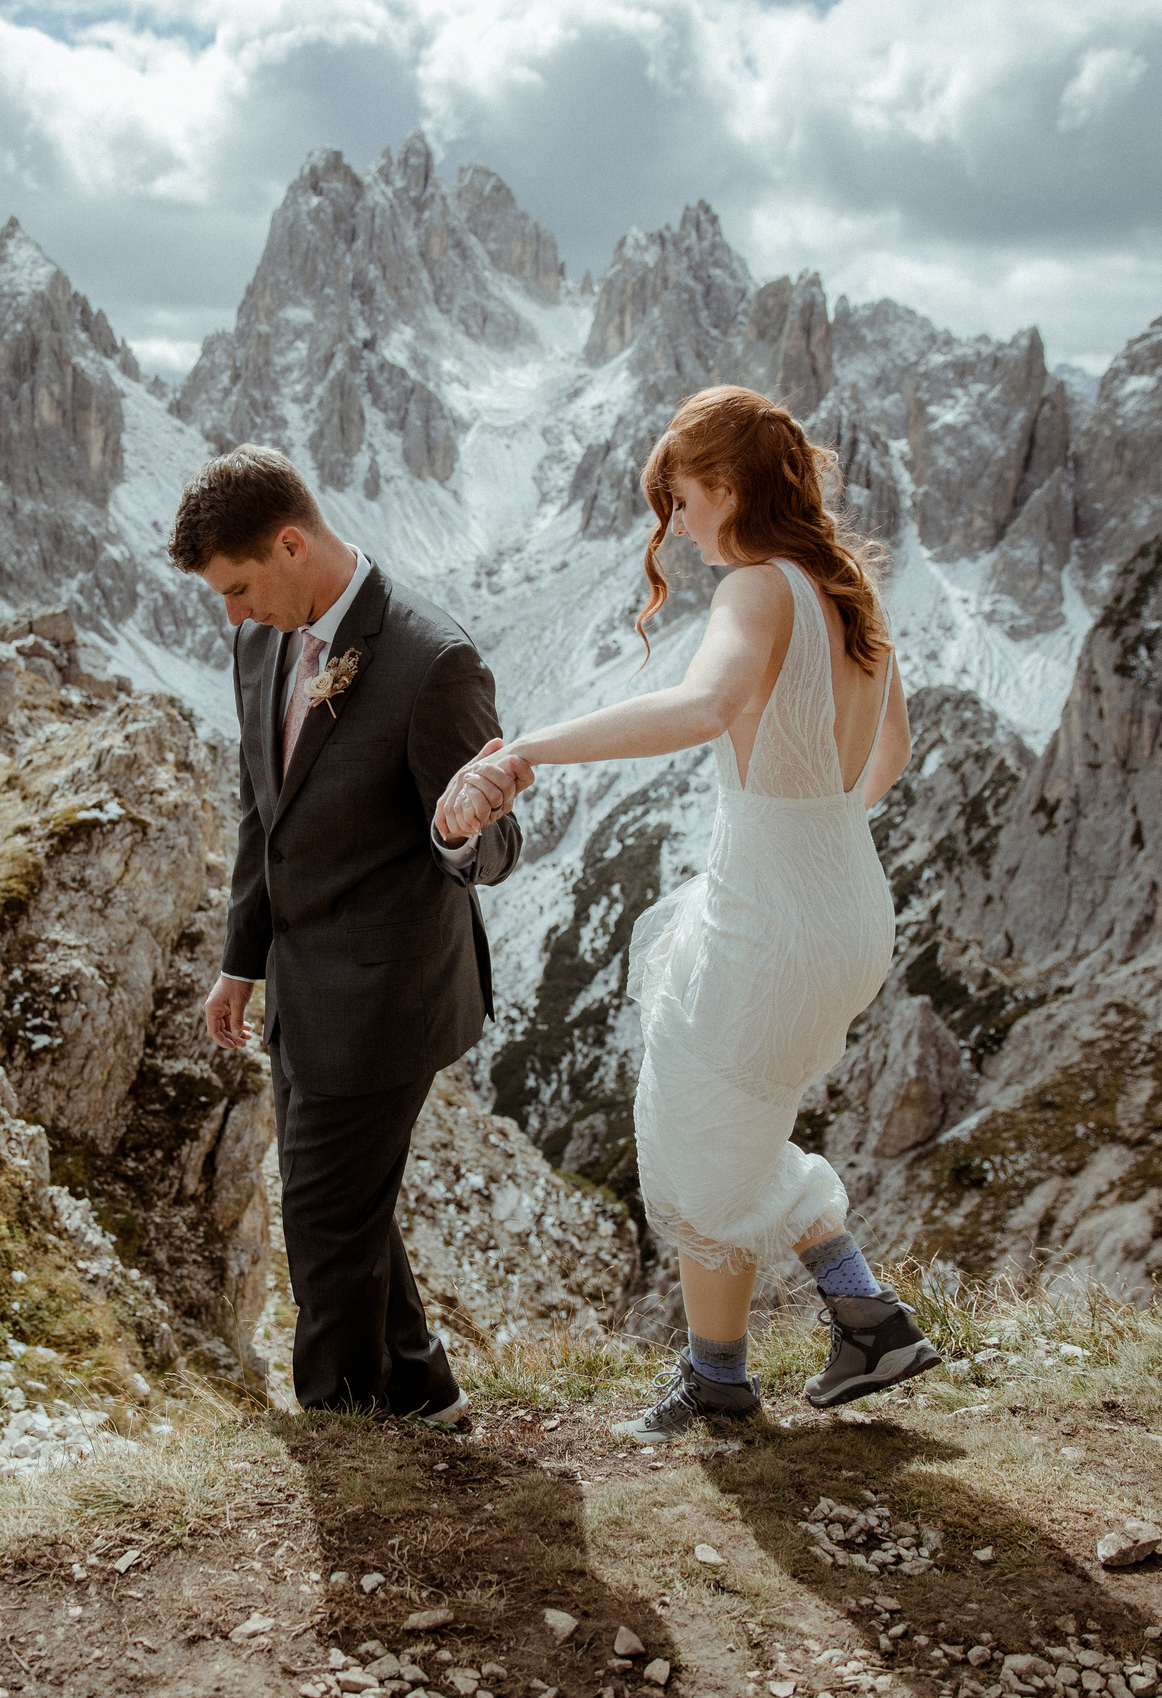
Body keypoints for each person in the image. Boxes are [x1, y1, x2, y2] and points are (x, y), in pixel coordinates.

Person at [436, 385, 941, 1439]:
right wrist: (811, 827)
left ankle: (731, 1374)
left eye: (677, 499)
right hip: (848, 904)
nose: (673, 527)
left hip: (776, 914)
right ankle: (853, 1326)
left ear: (725, 487)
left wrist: (527, 749)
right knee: (724, 1119)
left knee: (696, 1126)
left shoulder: (759, 591)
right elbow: (887, 758)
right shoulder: (851, 595)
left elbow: (703, 707)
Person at [172, 446, 526, 1427]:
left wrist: (458, 831)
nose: (232, 615)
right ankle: (422, 1395)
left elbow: (495, 846)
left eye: (240, 587)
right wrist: (242, 963)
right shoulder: (257, 644)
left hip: (385, 999)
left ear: (292, 544)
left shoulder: (431, 662)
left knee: (323, 1223)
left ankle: (338, 1436)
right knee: (346, 1208)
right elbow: (263, 816)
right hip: (296, 988)